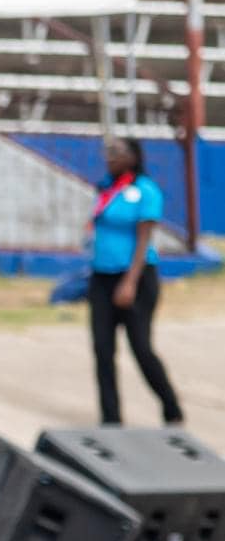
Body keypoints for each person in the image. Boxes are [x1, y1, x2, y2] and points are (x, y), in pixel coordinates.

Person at [87, 136, 183, 427]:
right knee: (103, 349)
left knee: (140, 346)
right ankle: (111, 419)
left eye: (116, 152)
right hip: (101, 277)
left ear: (133, 156)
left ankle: (171, 408)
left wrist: (129, 282)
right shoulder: (107, 189)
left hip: (135, 279)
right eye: (107, 152)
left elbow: (144, 239)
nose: (110, 157)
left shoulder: (146, 191)